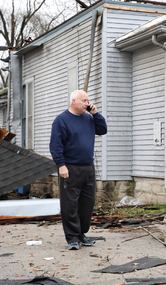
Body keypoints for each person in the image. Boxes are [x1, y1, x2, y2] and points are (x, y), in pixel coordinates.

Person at [49, 90, 107, 250]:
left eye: (88, 100)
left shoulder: (89, 118)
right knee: (70, 204)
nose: (87, 103)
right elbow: (55, 145)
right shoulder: (61, 120)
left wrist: (96, 114)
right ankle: (72, 238)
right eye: (84, 100)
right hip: (70, 167)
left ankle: (82, 234)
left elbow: (102, 130)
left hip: (88, 167)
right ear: (73, 101)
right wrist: (61, 165)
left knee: (87, 203)